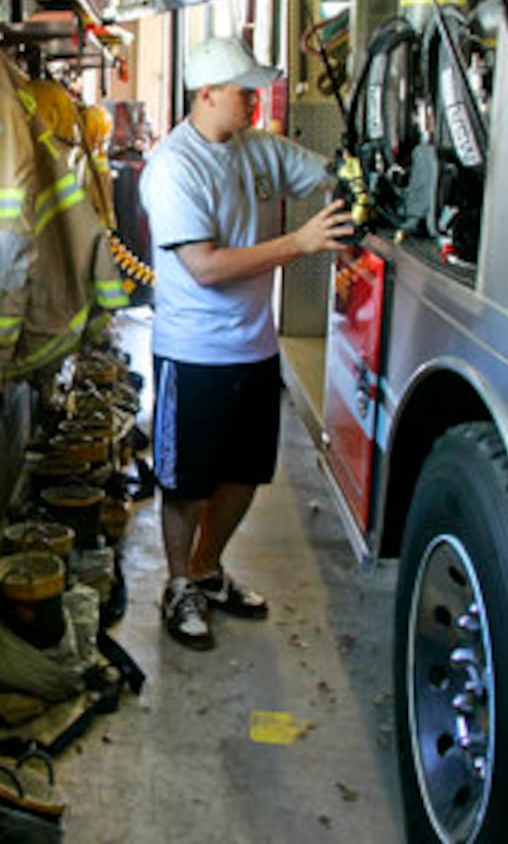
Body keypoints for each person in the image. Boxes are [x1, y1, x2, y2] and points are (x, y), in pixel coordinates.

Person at [139, 35, 355, 650]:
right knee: (187, 483)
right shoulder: (174, 167)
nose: (255, 103)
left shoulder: (256, 150)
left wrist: (355, 171)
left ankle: (206, 571)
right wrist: (300, 244)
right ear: (206, 94)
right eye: (244, 92)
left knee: (244, 475)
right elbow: (204, 267)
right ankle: (179, 583)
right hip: (195, 353)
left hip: (255, 349)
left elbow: (323, 174)